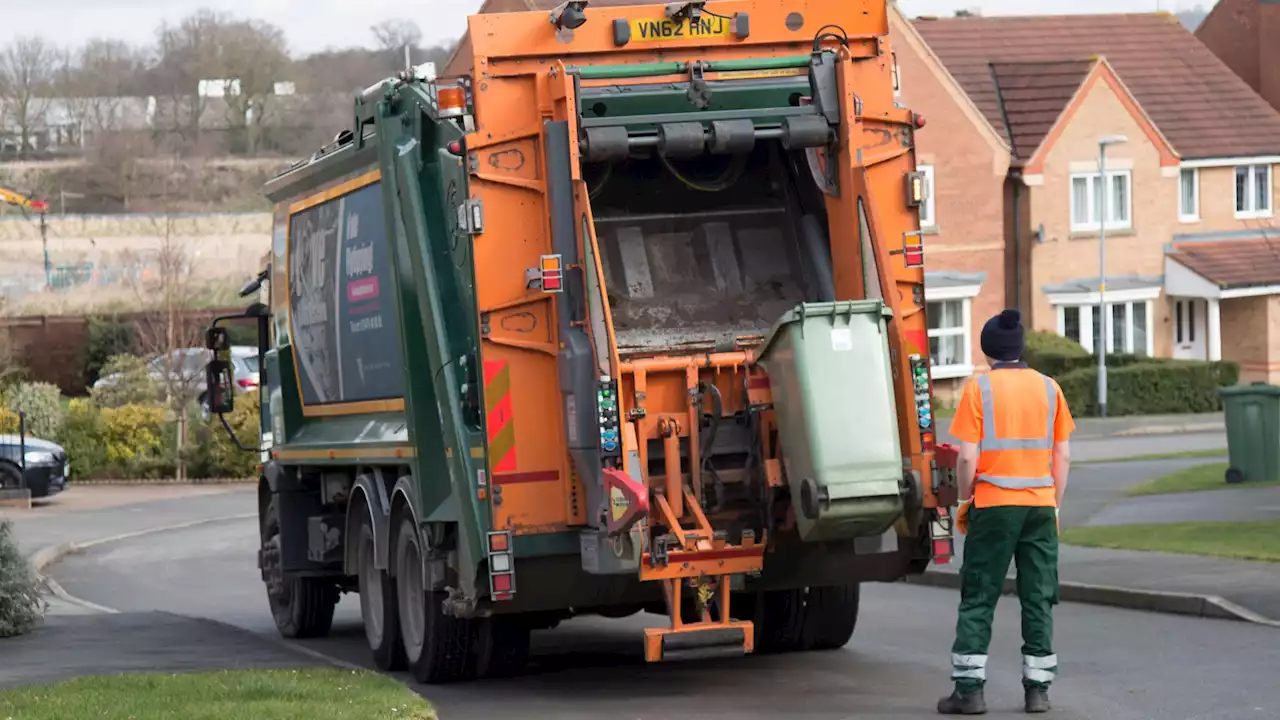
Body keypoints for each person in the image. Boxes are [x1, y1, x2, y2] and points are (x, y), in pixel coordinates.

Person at [936, 308, 1074, 716]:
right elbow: (1062, 455)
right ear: (1020, 346)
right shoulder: (1050, 389)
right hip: (1039, 508)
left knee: (979, 596)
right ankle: (1037, 690)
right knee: (1038, 597)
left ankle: (969, 692)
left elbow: (966, 458)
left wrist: (964, 501)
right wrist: (1053, 504)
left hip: (994, 505)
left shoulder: (980, 389)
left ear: (987, 349)